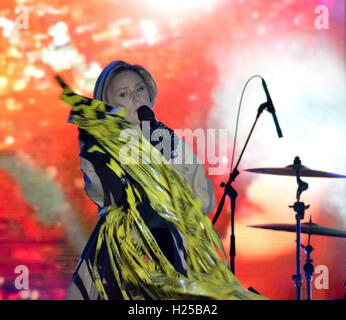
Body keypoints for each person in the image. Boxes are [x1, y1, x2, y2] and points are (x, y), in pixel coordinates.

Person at [59, 61, 265, 300]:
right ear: (110, 104)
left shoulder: (169, 139)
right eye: (123, 94)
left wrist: (172, 155)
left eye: (139, 89)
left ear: (149, 93)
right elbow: (105, 195)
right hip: (126, 259)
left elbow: (204, 202)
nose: (136, 98)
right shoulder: (101, 144)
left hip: (174, 253)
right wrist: (94, 146)